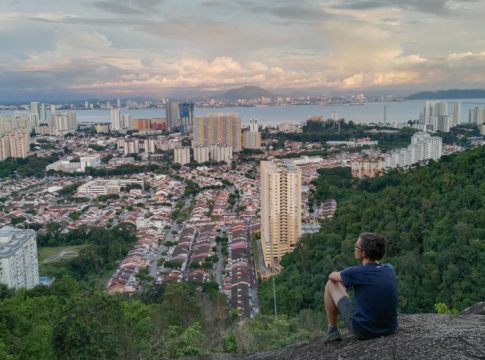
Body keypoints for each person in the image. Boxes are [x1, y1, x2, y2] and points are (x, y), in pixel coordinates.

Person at [323, 232, 398, 343]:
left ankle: (332, 331)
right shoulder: (389, 269)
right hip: (390, 328)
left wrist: (343, 282)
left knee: (331, 284)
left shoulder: (356, 272)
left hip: (364, 331)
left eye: (356, 247)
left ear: (363, 253)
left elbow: (332, 276)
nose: (354, 248)